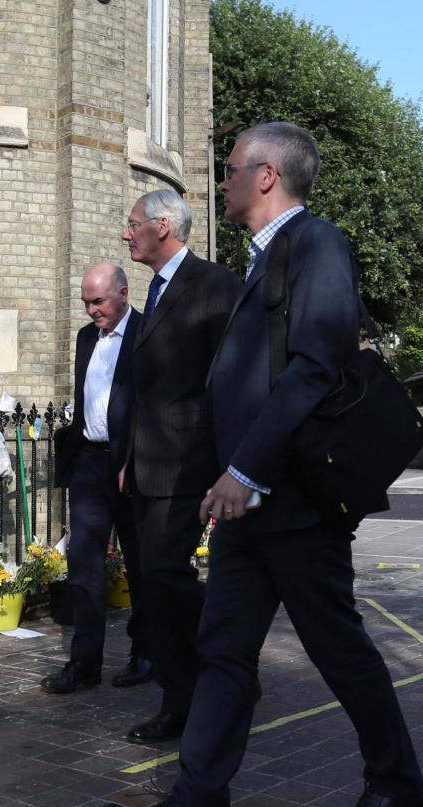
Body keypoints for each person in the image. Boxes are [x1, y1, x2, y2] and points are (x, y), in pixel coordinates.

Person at [105, 122, 423, 807]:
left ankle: (398, 785)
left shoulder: (317, 244)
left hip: (295, 504)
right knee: (222, 652)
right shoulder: (264, 259)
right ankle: (196, 803)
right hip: (249, 509)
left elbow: (315, 365)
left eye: (229, 169)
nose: (220, 181)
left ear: (266, 176)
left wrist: (245, 469)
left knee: (339, 651)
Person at [117, 190, 240, 742]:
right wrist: (129, 458)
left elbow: (231, 380)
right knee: (154, 583)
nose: (127, 234)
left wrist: (228, 468)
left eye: (134, 224)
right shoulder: (157, 288)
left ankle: (200, 694)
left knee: (168, 580)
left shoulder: (214, 285)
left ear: (163, 226)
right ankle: (188, 692)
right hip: (149, 468)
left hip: (190, 465)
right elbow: (150, 392)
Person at [41, 264, 148, 694]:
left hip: (133, 464)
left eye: (99, 301)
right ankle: (84, 663)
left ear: (123, 293)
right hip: (89, 461)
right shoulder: (87, 338)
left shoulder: (147, 331)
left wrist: (137, 456)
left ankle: (146, 654)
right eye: (86, 302)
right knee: (84, 562)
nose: (91, 310)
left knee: (141, 563)